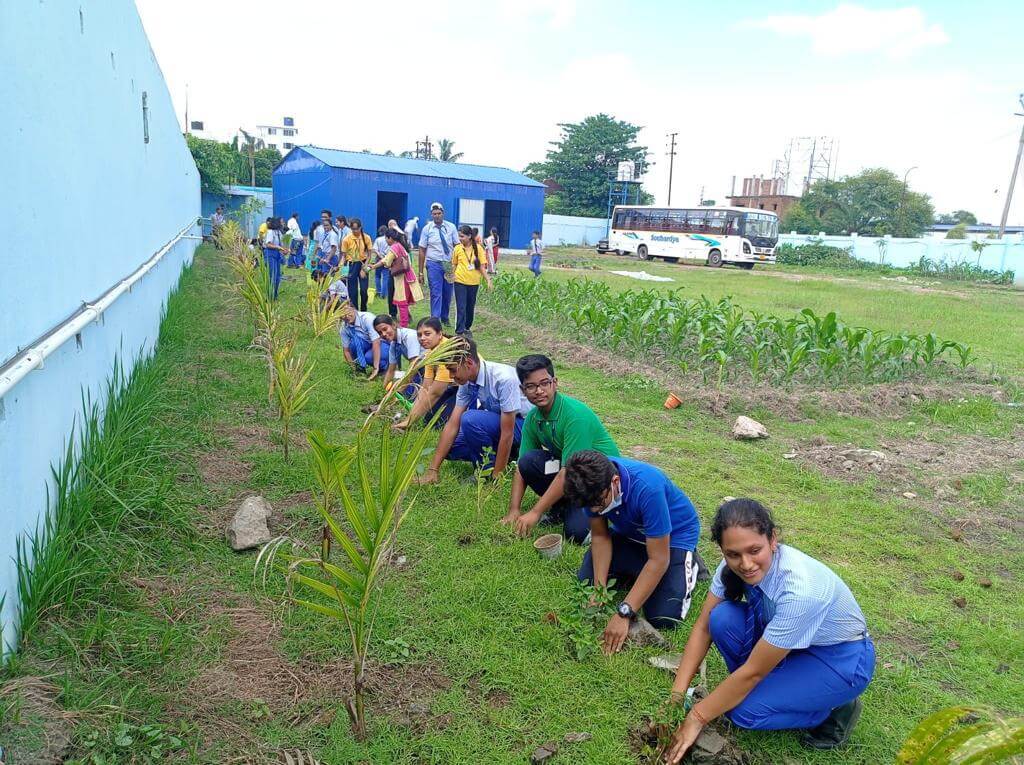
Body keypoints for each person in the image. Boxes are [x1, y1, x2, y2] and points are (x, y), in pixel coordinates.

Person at [665, 500, 875, 762]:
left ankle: (832, 709)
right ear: (723, 550)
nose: (746, 563)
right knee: (721, 618)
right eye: (733, 554)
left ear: (773, 539)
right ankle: (772, 688)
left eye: (755, 550)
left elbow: (753, 673)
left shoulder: (801, 590)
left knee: (743, 711)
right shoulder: (732, 566)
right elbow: (703, 627)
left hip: (839, 660)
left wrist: (697, 717)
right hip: (791, 645)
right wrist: (676, 695)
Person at [564, 450, 701, 647]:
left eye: (600, 503)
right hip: (632, 534)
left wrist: (625, 611)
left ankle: (690, 562)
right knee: (586, 581)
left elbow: (658, 559)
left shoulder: (648, 488)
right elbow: (601, 536)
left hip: (672, 539)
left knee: (664, 617)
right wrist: (599, 590)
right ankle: (640, 572)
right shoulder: (588, 485)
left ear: (615, 481)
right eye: (590, 506)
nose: (596, 510)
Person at [501, 355, 620, 544]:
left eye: (544, 383)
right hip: (574, 474)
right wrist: (514, 510)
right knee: (529, 462)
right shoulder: (532, 418)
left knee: (577, 534)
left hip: (599, 480)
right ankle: (563, 506)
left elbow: (567, 472)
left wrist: (535, 513)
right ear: (523, 390)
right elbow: (521, 469)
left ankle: (591, 512)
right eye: (531, 386)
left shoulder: (574, 416)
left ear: (555, 383)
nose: (539, 391)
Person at [416, 337, 532, 483]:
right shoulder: (467, 380)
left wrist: (498, 476)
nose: (451, 376)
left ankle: (487, 473)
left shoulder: (503, 379)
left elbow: (507, 432)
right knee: (451, 447)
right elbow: (452, 424)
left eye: (452, 370)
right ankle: (508, 456)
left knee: (471, 419)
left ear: (469, 363)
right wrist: (433, 470)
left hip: (525, 426)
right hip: (502, 423)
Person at [395, 317, 459, 430]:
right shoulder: (430, 353)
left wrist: (408, 422)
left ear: (439, 334)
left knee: (439, 424)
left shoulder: (446, 351)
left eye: (427, 334)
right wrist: (411, 417)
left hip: (469, 389)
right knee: (427, 419)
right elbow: (425, 387)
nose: (422, 338)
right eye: (419, 335)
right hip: (453, 388)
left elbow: (435, 392)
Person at [369, 229, 422, 327]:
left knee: (402, 302)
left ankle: (403, 325)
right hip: (407, 276)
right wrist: (375, 266)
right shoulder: (400, 245)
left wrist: (376, 266)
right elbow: (386, 260)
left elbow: (387, 262)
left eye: (386, 238)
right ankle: (405, 321)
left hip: (402, 278)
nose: (386, 240)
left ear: (390, 238)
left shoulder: (394, 247)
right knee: (403, 302)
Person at [417, 203, 458, 326]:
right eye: (434, 214)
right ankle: (435, 319)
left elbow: (457, 246)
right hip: (433, 263)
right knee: (436, 292)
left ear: (443, 213)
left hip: (448, 264)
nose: (437, 216)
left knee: (447, 291)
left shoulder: (451, 227)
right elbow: (422, 249)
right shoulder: (427, 229)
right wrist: (420, 271)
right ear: (431, 214)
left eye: (439, 213)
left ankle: (445, 317)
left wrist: (457, 264)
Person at [452, 226, 493, 336]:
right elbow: (454, 264)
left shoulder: (478, 248)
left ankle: (467, 327)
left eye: (462, 236)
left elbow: (481, 267)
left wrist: (488, 280)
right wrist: (451, 276)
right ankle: (459, 331)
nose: (460, 238)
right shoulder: (457, 248)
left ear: (469, 236)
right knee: (461, 306)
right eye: (459, 236)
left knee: (470, 307)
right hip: (459, 281)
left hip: (473, 282)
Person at [339, 302, 390, 378]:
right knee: (352, 344)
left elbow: (376, 342)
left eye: (348, 311)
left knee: (369, 357)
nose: (346, 316)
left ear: (354, 309)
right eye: (342, 314)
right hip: (367, 343)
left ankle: (384, 367)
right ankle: (360, 368)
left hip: (382, 343)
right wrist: (353, 369)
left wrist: (375, 368)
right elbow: (346, 351)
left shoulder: (367, 318)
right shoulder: (344, 328)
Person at [373, 314, 423, 390]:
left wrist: (400, 390)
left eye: (385, 329)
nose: (383, 334)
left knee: (408, 393)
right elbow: (391, 370)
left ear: (393, 325)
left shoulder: (409, 336)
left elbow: (413, 367)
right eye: (380, 333)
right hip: (419, 369)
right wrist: (382, 391)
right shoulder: (394, 344)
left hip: (426, 368)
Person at [342, 218, 373, 311]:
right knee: (352, 291)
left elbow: (370, 254)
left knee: (364, 290)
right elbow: (343, 257)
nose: (355, 231)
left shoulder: (366, 237)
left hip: (363, 263)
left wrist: (364, 268)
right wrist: (343, 271)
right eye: (353, 229)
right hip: (351, 265)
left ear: (361, 227)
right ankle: (355, 311)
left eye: (357, 229)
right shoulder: (346, 239)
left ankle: (364, 309)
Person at [261, 218, 289, 300]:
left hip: (277, 254)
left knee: (277, 276)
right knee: (272, 275)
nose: (283, 223)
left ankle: (275, 295)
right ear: (276, 223)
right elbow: (268, 244)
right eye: (282, 222)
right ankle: (270, 296)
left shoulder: (279, 232)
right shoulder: (270, 232)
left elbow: (281, 244)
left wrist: (285, 250)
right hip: (270, 254)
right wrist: (278, 247)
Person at [372, 225, 396, 317]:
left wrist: (380, 256)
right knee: (386, 277)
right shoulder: (393, 243)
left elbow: (375, 249)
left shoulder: (378, 240)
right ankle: (383, 294)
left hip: (380, 258)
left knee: (377, 276)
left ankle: (378, 292)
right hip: (388, 259)